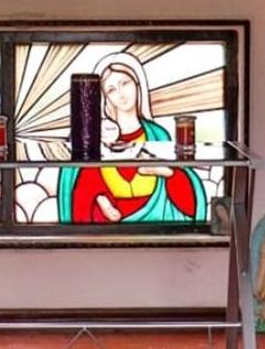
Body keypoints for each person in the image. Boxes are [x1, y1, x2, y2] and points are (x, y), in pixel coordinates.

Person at [58, 53, 205, 223]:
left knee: (177, 177)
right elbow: (78, 175)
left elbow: (186, 191)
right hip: (109, 213)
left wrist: (169, 173)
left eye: (125, 83)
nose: (121, 94)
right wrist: (101, 199)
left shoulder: (157, 134)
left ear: (137, 84)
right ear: (105, 98)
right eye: (111, 90)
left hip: (156, 214)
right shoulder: (98, 133)